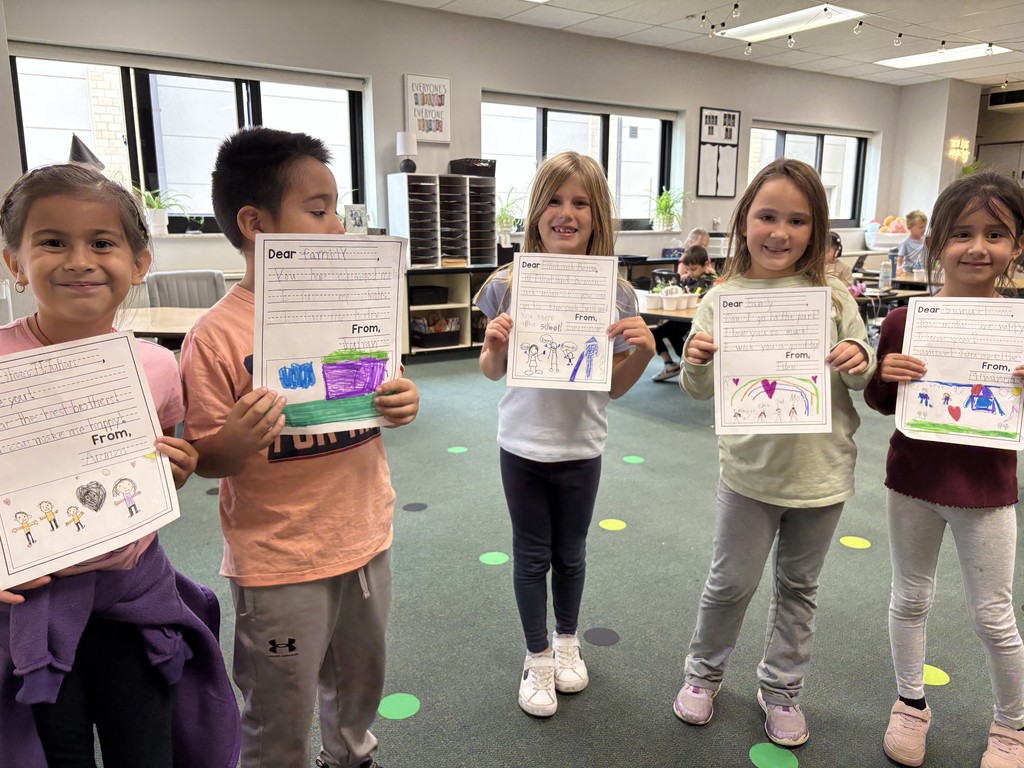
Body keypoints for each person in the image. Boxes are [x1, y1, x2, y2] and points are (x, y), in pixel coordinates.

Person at [180, 127, 419, 768]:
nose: (337, 225)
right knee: (279, 705)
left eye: (336, 208)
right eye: (318, 211)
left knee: (360, 679)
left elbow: (381, 394)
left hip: (365, 534)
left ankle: (350, 754)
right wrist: (229, 441)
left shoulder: (352, 309)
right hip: (280, 558)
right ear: (256, 224)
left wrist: (402, 402)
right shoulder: (215, 336)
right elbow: (209, 456)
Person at [0, 163, 238, 767]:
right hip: (34, 603)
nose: (79, 260)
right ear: (15, 262)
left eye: (102, 243)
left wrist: (173, 470)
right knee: (58, 748)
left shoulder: (157, 366)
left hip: (134, 592)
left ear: (139, 263)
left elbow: (152, 462)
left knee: (147, 743)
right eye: (52, 242)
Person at [673, 158, 875, 746]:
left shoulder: (833, 298)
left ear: (816, 231)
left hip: (822, 475)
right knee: (729, 584)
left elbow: (863, 373)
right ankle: (703, 674)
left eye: (797, 220)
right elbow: (697, 387)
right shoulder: (723, 298)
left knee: (799, 589)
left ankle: (782, 688)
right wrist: (695, 361)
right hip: (748, 474)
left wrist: (859, 361)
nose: (780, 233)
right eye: (766, 217)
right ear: (744, 222)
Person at [475, 151, 655, 718]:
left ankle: (568, 642)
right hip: (522, 442)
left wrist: (644, 354)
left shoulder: (617, 294)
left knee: (571, 554)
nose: (566, 213)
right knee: (531, 556)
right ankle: (537, 657)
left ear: (597, 215)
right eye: (554, 200)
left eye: (580, 203)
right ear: (536, 211)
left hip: (582, 444)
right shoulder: (505, 285)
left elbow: (614, 388)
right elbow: (489, 369)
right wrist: (497, 345)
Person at [864, 172, 1024, 768]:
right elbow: (882, 404)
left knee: (993, 614)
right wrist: (887, 375)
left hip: (986, 491)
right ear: (936, 243)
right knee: (909, 598)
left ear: (1016, 246)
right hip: (913, 483)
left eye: (996, 234)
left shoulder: (1019, 328)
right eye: (961, 233)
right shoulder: (907, 321)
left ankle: (1011, 726)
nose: (977, 247)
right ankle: (910, 703)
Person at [652, 246, 720, 383]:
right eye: (687, 269)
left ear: (706, 265)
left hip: (694, 321)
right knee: (655, 333)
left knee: (680, 337)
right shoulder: (688, 279)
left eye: (694, 269)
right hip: (681, 318)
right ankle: (669, 364)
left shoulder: (711, 280)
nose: (690, 273)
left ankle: (685, 364)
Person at [896, 210, 928, 275]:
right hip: (908, 273)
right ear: (909, 227)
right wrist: (899, 269)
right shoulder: (905, 243)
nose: (924, 229)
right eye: (920, 227)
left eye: (925, 226)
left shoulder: (926, 240)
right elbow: (899, 260)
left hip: (921, 274)